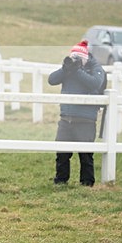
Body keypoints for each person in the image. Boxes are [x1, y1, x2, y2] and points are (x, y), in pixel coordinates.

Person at [47, 40, 105, 186]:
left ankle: (86, 183)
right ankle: (60, 181)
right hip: (66, 119)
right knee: (61, 153)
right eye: (74, 57)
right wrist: (66, 69)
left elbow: (95, 83)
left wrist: (77, 71)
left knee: (85, 155)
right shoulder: (68, 70)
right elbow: (52, 80)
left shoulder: (96, 68)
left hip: (86, 120)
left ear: (86, 58)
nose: (76, 60)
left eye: (79, 58)